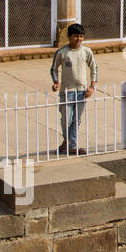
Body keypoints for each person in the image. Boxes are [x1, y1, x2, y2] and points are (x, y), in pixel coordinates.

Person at [50, 23, 96, 155]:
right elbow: (53, 69)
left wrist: (92, 87)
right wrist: (56, 82)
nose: (79, 39)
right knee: (66, 120)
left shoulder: (86, 52)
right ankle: (68, 142)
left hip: (82, 91)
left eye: (81, 36)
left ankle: (72, 146)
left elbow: (94, 68)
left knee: (76, 120)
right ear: (69, 37)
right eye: (76, 36)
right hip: (66, 92)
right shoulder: (62, 52)